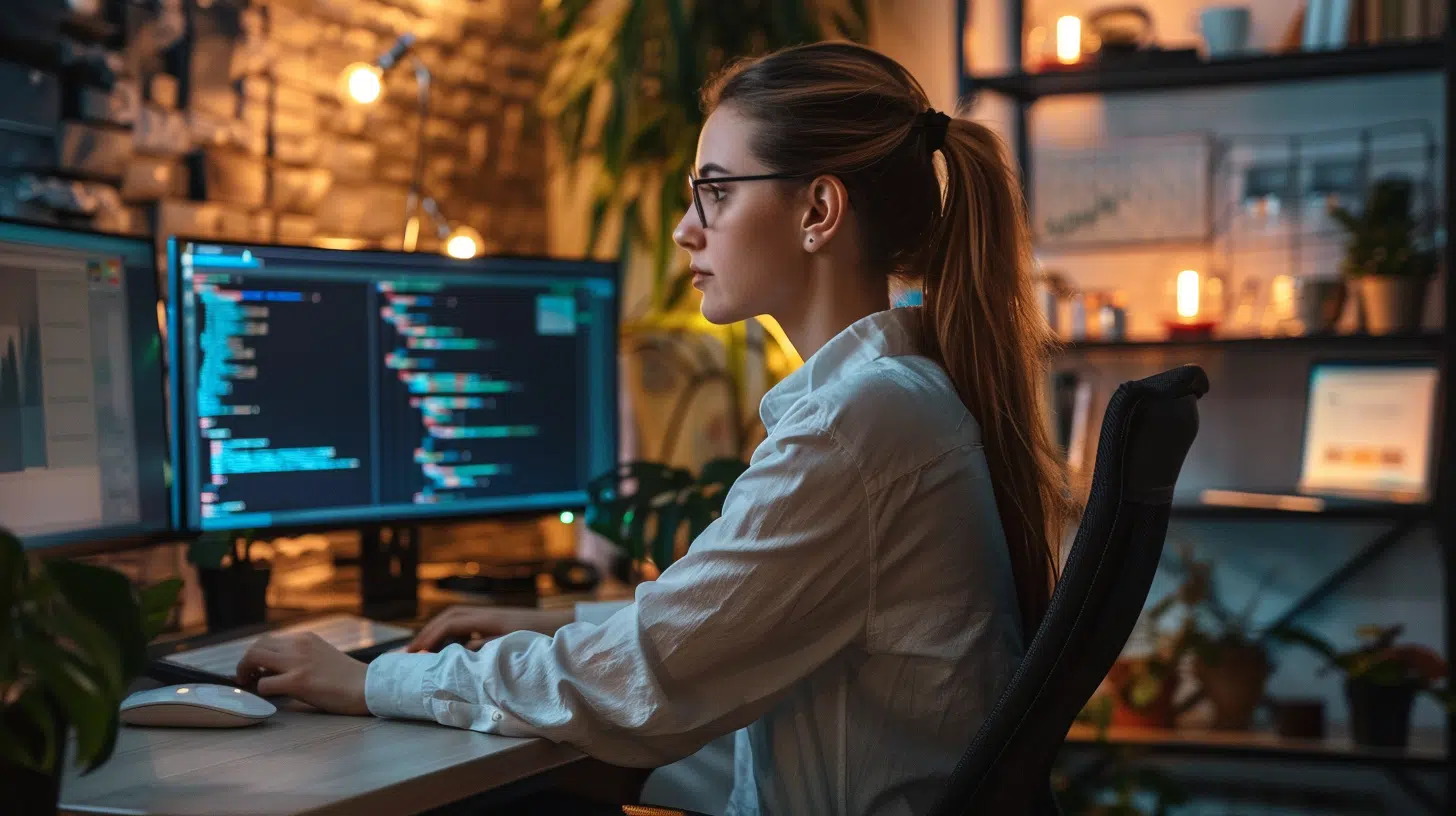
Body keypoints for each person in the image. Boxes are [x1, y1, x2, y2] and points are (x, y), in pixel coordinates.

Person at [235, 41, 1072, 815]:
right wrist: (560, 627)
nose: (685, 230)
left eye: (715, 189)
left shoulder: (859, 426)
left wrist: (374, 679)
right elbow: (712, 631)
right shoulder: (895, 400)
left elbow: (648, 677)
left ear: (818, 209)